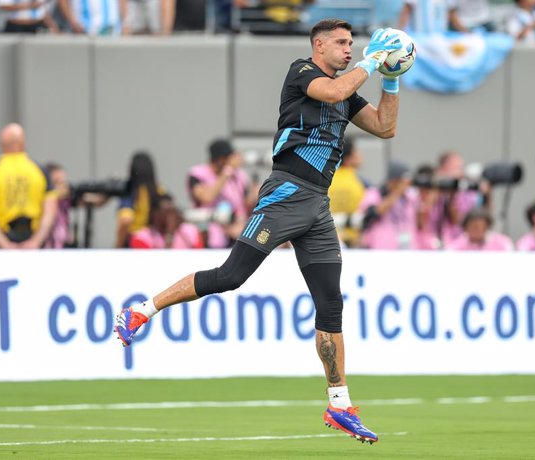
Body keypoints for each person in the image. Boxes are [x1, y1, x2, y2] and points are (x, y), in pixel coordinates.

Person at [114, 19, 403, 444]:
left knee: (330, 303)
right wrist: (375, 60)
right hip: (286, 192)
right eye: (340, 43)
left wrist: (391, 81)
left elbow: (384, 127)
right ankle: (141, 309)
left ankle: (340, 404)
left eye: (351, 44)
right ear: (318, 45)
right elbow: (336, 91)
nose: (348, 50)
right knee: (231, 276)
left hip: (316, 205)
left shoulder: (349, 89)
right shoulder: (302, 72)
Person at [0, 123, 58, 249]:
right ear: (22, 143)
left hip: (1, 242)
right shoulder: (39, 170)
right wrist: (36, 241)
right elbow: (50, 210)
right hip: (33, 240)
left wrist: (4, 244)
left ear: (1, 145)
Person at [187, 138, 252, 248]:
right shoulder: (197, 174)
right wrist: (227, 171)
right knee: (216, 236)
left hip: (238, 226)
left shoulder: (239, 175)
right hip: (210, 227)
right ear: (220, 159)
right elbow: (207, 197)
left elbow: (248, 203)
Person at [359, 161, 419, 249]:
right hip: (382, 248)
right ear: (393, 180)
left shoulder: (411, 196)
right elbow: (374, 213)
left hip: (408, 247)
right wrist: (397, 192)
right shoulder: (375, 193)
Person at [115, 150, 167, 248]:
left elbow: (125, 220)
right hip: (155, 243)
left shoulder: (131, 190)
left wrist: (117, 246)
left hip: (134, 243)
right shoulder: (159, 190)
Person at [327, 136, 369, 247]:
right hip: (355, 241)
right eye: (356, 151)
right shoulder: (361, 182)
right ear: (349, 158)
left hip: (331, 238)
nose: (360, 155)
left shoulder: (326, 180)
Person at [130, 194, 204, 248]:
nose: (171, 215)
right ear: (155, 213)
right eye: (167, 212)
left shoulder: (191, 231)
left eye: (173, 211)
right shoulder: (142, 237)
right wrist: (170, 233)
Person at [447, 207, 514, 251]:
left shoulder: (502, 243)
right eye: (475, 227)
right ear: (466, 227)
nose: (479, 230)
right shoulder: (455, 247)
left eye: (483, 227)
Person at [398, 0, 468, 34]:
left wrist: (466, 33)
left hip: (440, 39)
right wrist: (400, 33)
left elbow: (452, 15)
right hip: (420, 40)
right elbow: (405, 13)